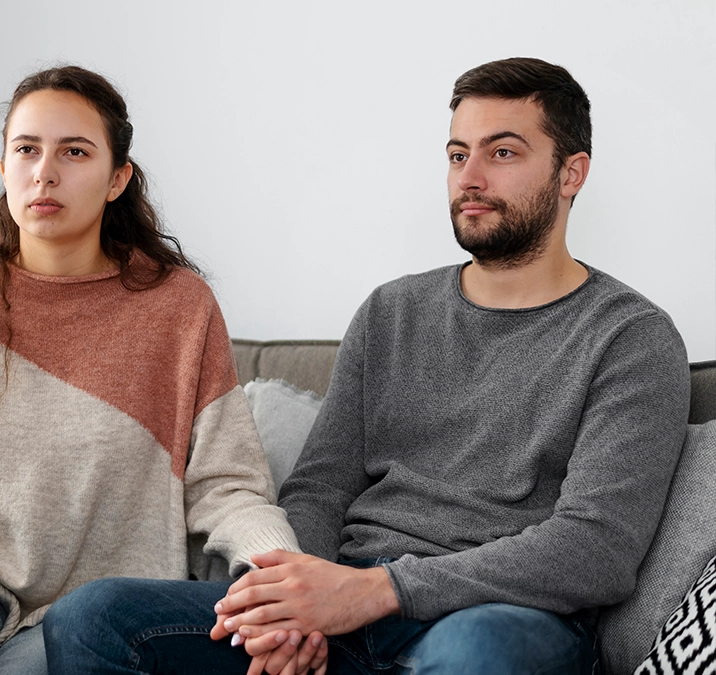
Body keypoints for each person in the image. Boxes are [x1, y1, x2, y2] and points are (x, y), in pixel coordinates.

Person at [42, 57, 692, 675]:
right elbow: (320, 489)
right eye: (458, 155)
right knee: (93, 615)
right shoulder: (392, 311)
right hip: (346, 603)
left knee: (477, 653)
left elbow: (596, 549)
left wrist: (381, 588)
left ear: (571, 172)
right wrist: (298, 607)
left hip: (501, 616)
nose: (470, 177)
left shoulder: (631, 338)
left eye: (503, 152)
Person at [0, 65, 300, 675]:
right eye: (27, 149)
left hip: (94, 617)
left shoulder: (179, 309)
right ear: (4, 168)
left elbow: (227, 484)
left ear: (118, 179)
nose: (45, 171)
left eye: (75, 152)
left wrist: (279, 572)